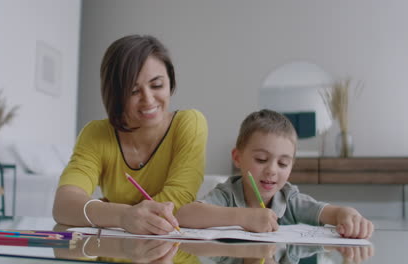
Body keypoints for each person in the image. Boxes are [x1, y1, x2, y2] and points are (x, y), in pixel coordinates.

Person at [53, 35, 208, 235]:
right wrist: (122, 216)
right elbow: (64, 204)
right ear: (115, 95)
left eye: (157, 85)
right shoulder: (96, 134)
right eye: (133, 91)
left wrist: (106, 212)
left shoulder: (189, 123)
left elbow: (177, 202)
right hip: (116, 251)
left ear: (170, 81)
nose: (148, 100)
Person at [176, 109, 373, 239]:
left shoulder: (289, 199)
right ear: (237, 158)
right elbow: (185, 215)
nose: (272, 170)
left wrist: (346, 214)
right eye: (261, 159)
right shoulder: (227, 194)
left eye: (283, 163)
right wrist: (244, 217)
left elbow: (332, 213)